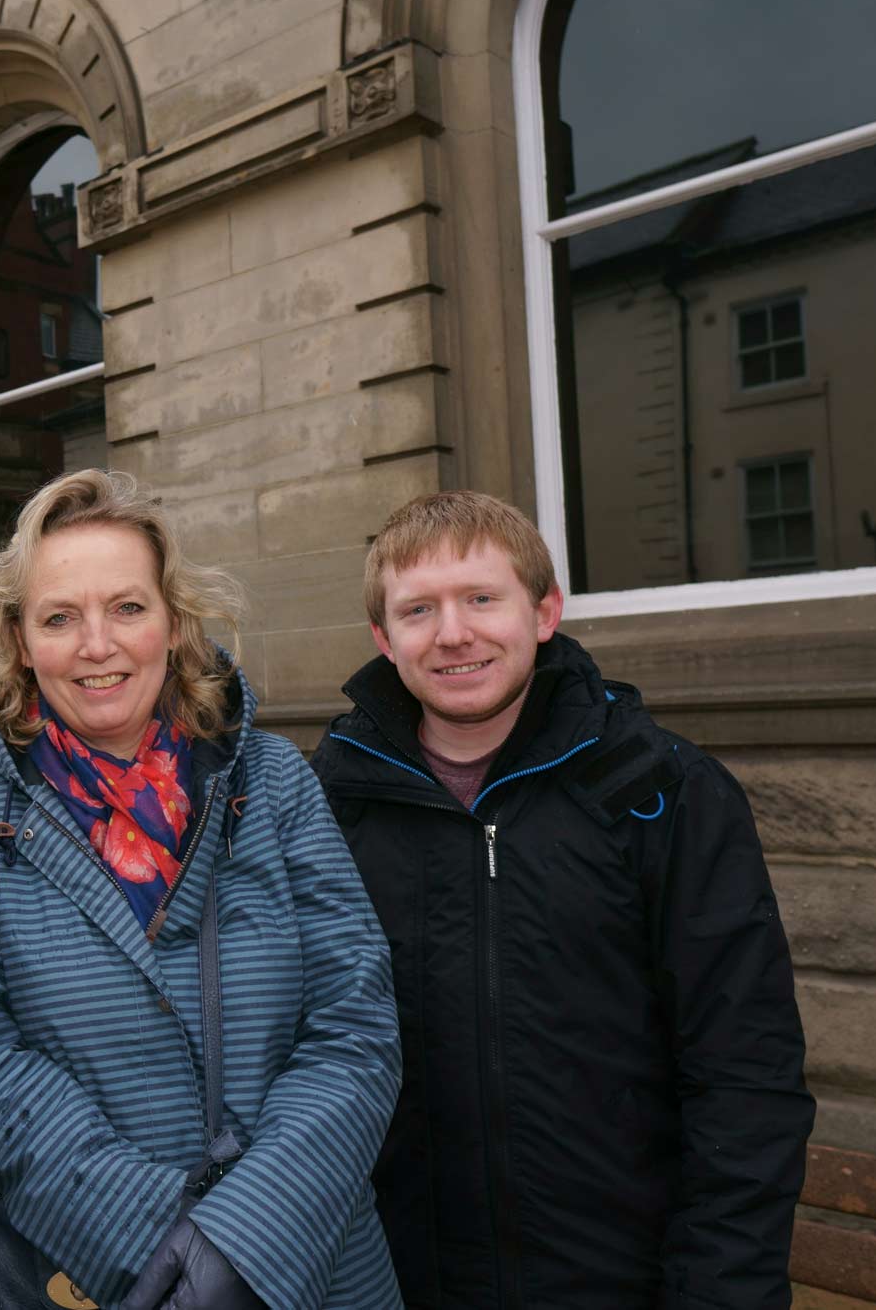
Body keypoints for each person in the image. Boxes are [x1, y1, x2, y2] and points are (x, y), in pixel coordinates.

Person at [311, 490, 814, 1309]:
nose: (453, 633)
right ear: (383, 637)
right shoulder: (326, 805)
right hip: (396, 1282)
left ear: (545, 611)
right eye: (418, 609)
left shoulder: (662, 791)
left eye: (482, 597)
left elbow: (744, 1078)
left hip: (624, 1280)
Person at [0, 470, 404, 1310]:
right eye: (60, 617)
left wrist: (243, 1240)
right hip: (101, 1275)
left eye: (128, 607)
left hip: (310, 1266)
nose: (97, 644)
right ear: (19, 639)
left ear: (174, 621)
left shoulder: (274, 780)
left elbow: (354, 1028)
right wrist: (160, 1237)